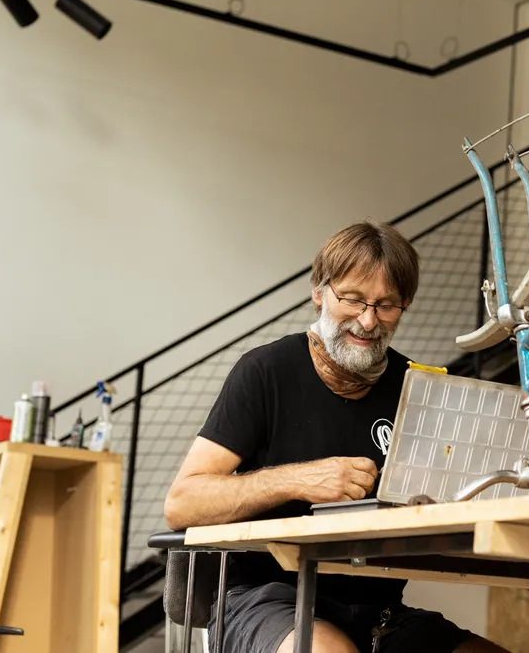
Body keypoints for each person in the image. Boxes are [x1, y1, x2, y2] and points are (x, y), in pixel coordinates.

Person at [165, 222, 511, 653]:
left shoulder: (415, 387)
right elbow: (182, 503)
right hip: (263, 601)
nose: (368, 321)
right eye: (353, 299)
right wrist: (297, 480)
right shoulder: (266, 371)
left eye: (386, 306)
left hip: (378, 612)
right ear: (319, 291)